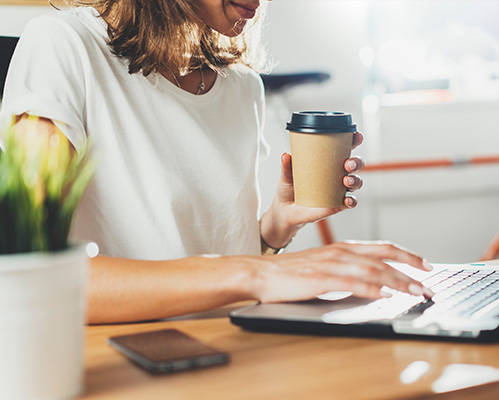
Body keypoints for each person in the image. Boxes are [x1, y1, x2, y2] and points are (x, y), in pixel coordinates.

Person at [0, 0, 433, 324]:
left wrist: (275, 229)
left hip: (235, 342)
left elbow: (222, 264)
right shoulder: (64, 45)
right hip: (132, 359)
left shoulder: (243, 85)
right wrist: (258, 273)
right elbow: (32, 275)